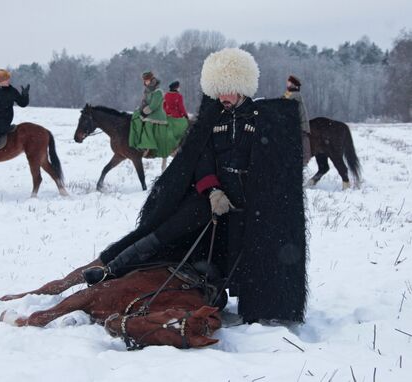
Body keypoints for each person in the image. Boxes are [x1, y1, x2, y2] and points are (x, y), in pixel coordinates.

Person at [83, 48, 307, 324]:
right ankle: (113, 269)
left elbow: (276, 163)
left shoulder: (261, 119)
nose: (222, 97)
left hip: (251, 204)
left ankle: (259, 307)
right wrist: (212, 191)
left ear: (242, 87)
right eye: (218, 91)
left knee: (253, 255)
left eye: (228, 90)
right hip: (214, 198)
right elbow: (202, 160)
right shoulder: (215, 120)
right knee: (165, 232)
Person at [129, 71, 168, 157]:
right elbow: (144, 102)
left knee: (147, 123)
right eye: (145, 80)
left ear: (151, 80)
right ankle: (135, 141)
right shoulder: (147, 91)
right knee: (135, 117)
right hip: (148, 111)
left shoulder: (158, 91)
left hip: (157, 113)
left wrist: (144, 112)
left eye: (147, 80)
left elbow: (153, 105)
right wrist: (140, 110)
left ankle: (148, 146)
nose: (145, 82)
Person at [283, 75, 311, 165]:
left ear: (293, 84)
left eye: (289, 82)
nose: (287, 83)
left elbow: (282, 102)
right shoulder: (290, 93)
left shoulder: (295, 94)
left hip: (301, 125)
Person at [162, 80, 190, 151]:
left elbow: (164, 105)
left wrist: (166, 112)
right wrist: (185, 115)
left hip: (167, 116)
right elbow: (181, 107)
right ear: (176, 88)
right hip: (176, 117)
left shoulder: (166, 95)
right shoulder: (178, 96)